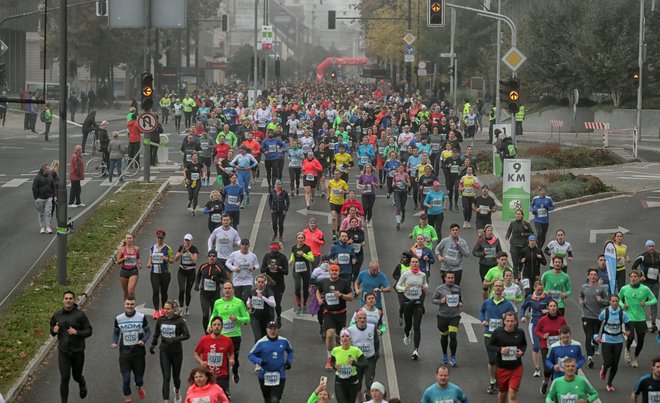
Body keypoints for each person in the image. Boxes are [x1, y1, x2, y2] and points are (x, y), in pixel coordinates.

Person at [50, 290, 92, 403]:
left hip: (78, 352)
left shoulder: (80, 315)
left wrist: (77, 332)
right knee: (65, 377)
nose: (68, 300)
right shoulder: (57, 315)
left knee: (76, 376)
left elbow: (89, 331)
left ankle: (82, 382)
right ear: (63, 300)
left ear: (74, 301)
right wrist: (54, 331)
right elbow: (52, 330)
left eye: (70, 298)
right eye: (66, 298)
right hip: (63, 352)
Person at [150, 300, 190, 403]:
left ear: (174, 309)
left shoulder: (179, 321)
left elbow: (186, 335)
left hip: (176, 351)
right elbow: (156, 334)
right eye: (164, 309)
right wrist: (153, 345)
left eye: (168, 309)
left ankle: (177, 391)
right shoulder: (161, 320)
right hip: (164, 351)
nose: (166, 311)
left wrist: (173, 339)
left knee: (176, 377)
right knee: (166, 377)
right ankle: (166, 400)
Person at [112, 296, 151, 402]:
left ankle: (139, 386)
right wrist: (115, 342)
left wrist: (144, 340)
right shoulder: (119, 318)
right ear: (124, 305)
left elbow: (148, 331)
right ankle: (128, 398)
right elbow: (116, 332)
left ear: (135, 305)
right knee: (126, 379)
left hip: (138, 352)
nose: (129, 306)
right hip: (124, 352)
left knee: (139, 379)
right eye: (127, 304)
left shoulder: (141, 317)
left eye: (132, 304)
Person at [209, 282, 250, 384]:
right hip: (221, 336)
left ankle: (235, 371)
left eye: (229, 288)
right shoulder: (218, 302)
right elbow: (214, 315)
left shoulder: (239, 302)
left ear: (233, 290)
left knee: (234, 359)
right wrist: (209, 325)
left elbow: (247, 319)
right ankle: (225, 386)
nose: (227, 290)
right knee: (224, 361)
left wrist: (237, 319)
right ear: (223, 290)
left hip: (235, 335)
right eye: (225, 288)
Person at [480, 280, 516, 394]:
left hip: (502, 335)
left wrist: (508, 322)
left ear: (503, 289)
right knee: (492, 360)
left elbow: (513, 318)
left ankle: (500, 380)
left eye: (500, 286)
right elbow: (481, 312)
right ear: (493, 289)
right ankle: (492, 381)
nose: (498, 288)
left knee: (501, 360)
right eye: (496, 286)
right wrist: (483, 320)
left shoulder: (508, 304)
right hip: (489, 334)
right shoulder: (487, 302)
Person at [248, 321, 295, 402]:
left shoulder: (284, 341)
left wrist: (288, 362)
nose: (272, 331)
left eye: (274, 329)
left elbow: (290, 351)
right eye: (270, 329)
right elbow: (250, 355)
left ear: (278, 330)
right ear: (266, 330)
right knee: (267, 399)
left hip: (280, 374)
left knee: (275, 400)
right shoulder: (261, 342)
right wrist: (260, 361)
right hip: (264, 375)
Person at [317, 264, 353, 369]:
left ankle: (339, 356)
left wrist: (341, 295)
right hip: (328, 313)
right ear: (329, 271)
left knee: (339, 337)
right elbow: (318, 291)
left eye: (336, 271)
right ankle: (329, 358)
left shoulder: (344, 283)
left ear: (339, 272)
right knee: (329, 334)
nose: (334, 273)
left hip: (341, 313)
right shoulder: (324, 282)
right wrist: (319, 300)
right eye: (332, 270)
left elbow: (350, 297)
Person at [620, 270, 657, 368]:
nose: (633, 278)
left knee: (641, 341)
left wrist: (646, 303)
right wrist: (623, 305)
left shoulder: (645, 289)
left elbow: (654, 299)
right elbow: (618, 298)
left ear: (639, 278)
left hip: (640, 319)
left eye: (635, 276)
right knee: (631, 337)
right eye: (631, 276)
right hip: (629, 317)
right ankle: (627, 349)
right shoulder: (624, 288)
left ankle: (635, 358)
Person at [488, 312, 527, 403]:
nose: (510, 323)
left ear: (515, 322)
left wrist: (522, 352)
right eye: (508, 321)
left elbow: (523, 345)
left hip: (516, 368)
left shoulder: (520, 332)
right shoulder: (498, 332)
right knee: (503, 393)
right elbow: (490, 346)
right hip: (502, 368)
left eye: (512, 321)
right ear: (504, 322)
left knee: (512, 393)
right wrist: (500, 350)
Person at [595, 294, 630, 391]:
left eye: (616, 301)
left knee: (615, 364)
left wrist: (628, 331)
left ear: (618, 302)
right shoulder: (605, 312)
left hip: (618, 341)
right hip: (606, 339)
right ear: (610, 302)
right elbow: (597, 324)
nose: (615, 303)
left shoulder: (622, 314)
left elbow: (629, 324)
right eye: (613, 301)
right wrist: (596, 335)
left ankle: (609, 383)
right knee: (608, 362)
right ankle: (604, 368)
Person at [396, 256, 428, 360]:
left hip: (418, 302)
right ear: (410, 264)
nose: (415, 264)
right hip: (407, 301)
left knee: (417, 326)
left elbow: (425, 284)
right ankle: (407, 334)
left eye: (416, 262)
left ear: (418, 263)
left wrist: (426, 287)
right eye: (413, 262)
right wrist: (404, 288)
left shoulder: (422, 274)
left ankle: (415, 350)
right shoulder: (406, 274)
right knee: (408, 325)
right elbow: (397, 286)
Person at [193, 317, 235, 398]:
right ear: (211, 327)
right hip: (207, 374)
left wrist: (231, 359)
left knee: (221, 397)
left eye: (219, 325)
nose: (216, 327)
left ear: (222, 327)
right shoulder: (204, 340)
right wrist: (201, 362)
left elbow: (231, 353)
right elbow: (196, 354)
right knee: (209, 397)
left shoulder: (227, 340)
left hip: (222, 373)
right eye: (214, 325)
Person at [520, 280, 552, 378]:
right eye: (538, 290)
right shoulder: (530, 298)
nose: (540, 292)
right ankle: (537, 369)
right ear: (534, 289)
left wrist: (548, 310)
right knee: (536, 347)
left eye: (541, 290)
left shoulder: (547, 297)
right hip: (534, 324)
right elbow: (523, 307)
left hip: (545, 324)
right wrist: (523, 316)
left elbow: (554, 307)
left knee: (547, 346)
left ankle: (549, 366)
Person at [535, 299, 568, 394]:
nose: (553, 308)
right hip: (546, 346)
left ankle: (553, 389)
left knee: (556, 368)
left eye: (554, 306)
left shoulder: (561, 319)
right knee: (547, 368)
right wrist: (542, 336)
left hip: (558, 347)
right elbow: (537, 331)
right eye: (551, 306)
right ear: (548, 308)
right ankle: (545, 381)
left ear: (557, 308)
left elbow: (567, 331)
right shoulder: (543, 320)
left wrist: (561, 334)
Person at [432, 271, 463, 367]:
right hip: (443, 316)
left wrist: (461, 303)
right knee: (444, 336)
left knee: (453, 336)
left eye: (452, 278)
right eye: (448, 278)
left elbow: (460, 299)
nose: (450, 280)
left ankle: (453, 357)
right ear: (445, 278)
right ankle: (445, 354)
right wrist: (440, 301)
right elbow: (433, 300)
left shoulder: (457, 288)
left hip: (454, 316)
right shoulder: (439, 289)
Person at [580, 268, 609, 368]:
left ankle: (595, 344)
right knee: (588, 336)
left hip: (597, 317)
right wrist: (581, 301)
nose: (593, 276)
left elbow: (608, 301)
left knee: (595, 336)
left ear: (597, 277)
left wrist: (601, 300)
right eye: (591, 274)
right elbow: (581, 296)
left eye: (594, 274)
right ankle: (589, 358)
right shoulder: (584, 287)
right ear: (588, 276)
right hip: (586, 316)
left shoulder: (601, 288)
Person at [195, 251, 230, 331]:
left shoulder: (219, 268)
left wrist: (217, 279)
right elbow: (198, 276)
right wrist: (196, 285)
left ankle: (215, 331)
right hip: (204, 295)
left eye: (214, 256)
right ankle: (207, 332)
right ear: (208, 258)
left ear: (216, 258)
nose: (212, 258)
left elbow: (226, 281)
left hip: (215, 295)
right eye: (210, 256)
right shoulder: (203, 266)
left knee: (215, 316)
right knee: (205, 315)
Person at [331, 328, 368, 403]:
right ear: (340, 339)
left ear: (350, 339)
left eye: (347, 336)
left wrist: (354, 363)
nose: (345, 338)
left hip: (352, 381)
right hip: (339, 381)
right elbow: (332, 362)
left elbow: (365, 364)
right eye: (343, 336)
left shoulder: (356, 350)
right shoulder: (335, 350)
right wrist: (334, 367)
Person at [348, 310, 379, 397]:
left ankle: (369, 398)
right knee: (357, 385)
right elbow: (347, 346)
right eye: (360, 318)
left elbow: (376, 341)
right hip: (357, 361)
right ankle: (361, 400)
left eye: (364, 318)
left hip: (370, 359)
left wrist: (376, 353)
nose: (362, 320)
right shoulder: (350, 330)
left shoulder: (372, 327)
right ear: (356, 319)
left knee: (369, 383)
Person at [632, 240, 660, 333]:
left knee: (654, 302)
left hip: (655, 283)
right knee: (641, 302)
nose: (651, 248)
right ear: (646, 247)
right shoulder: (642, 256)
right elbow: (634, 266)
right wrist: (640, 276)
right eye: (649, 246)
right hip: (645, 284)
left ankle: (653, 324)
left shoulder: (658, 256)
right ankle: (640, 322)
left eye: (652, 246)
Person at [260, 242, 289, 327]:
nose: (273, 251)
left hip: (279, 284)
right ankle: (271, 320)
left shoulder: (283, 257)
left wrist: (278, 268)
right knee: (269, 303)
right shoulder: (267, 256)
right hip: (269, 283)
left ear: (279, 249)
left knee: (277, 303)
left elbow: (286, 272)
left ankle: (279, 317)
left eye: (275, 249)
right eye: (272, 249)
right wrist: (268, 267)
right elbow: (262, 270)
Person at [149, 229, 175, 319]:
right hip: (154, 273)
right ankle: (156, 311)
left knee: (164, 292)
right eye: (158, 238)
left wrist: (165, 258)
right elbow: (150, 257)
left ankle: (163, 309)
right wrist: (149, 263)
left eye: (161, 238)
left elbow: (172, 261)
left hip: (165, 273)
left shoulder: (168, 248)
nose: (159, 239)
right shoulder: (152, 247)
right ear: (156, 238)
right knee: (155, 291)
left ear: (164, 238)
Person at [225, 238, 260, 303]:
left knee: (245, 298)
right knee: (238, 300)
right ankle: (242, 311)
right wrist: (234, 268)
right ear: (240, 245)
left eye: (246, 244)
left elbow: (257, 265)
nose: (244, 246)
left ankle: (245, 309)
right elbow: (227, 263)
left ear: (249, 245)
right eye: (243, 244)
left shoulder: (252, 256)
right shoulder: (234, 254)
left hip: (248, 280)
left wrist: (253, 268)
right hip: (237, 280)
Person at [473, 224, 503, 298]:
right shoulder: (481, 241)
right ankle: (485, 303)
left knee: (494, 286)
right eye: (488, 230)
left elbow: (500, 252)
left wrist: (497, 256)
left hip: (494, 266)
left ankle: (493, 302)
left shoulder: (496, 241)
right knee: (485, 287)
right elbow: (474, 252)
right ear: (485, 232)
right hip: (484, 266)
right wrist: (482, 254)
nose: (490, 232)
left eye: (491, 230)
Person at [505, 209, 534, 279]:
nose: (518, 215)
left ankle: (519, 272)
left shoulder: (526, 224)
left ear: (522, 215)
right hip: (514, 246)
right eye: (517, 214)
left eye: (519, 214)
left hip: (523, 246)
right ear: (515, 215)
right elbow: (509, 230)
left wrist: (524, 234)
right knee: (515, 263)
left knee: (521, 262)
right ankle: (516, 278)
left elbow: (531, 233)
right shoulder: (512, 223)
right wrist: (507, 236)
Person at [247, 274, 277, 341]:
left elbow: (273, 304)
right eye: (259, 282)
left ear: (265, 283)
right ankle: (257, 350)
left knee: (265, 338)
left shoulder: (268, 292)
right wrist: (248, 304)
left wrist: (263, 297)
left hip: (267, 318)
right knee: (257, 338)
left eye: (262, 282)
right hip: (255, 317)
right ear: (256, 283)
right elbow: (248, 300)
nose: (260, 284)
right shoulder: (252, 292)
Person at [175, 234, 199, 315]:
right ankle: (181, 307)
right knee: (182, 289)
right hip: (182, 270)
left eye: (188, 240)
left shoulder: (194, 249)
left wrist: (188, 252)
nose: (187, 242)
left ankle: (187, 307)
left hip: (191, 271)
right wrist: (182, 251)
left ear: (191, 241)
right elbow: (176, 259)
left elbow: (195, 260)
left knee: (188, 291)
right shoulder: (181, 247)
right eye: (185, 240)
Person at [115, 233, 142, 300]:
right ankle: (127, 307)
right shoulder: (121, 249)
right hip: (124, 271)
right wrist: (124, 259)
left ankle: (133, 306)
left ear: (132, 239)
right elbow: (117, 262)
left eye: (130, 238)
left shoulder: (136, 248)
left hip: (133, 271)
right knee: (125, 292)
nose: (129, 240)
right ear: (125, 240)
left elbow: (138, 257)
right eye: (127, 238)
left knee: (131, 291)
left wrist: (139, 263)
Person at [33, 164, 55, 234]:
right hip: (40, 198)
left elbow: (53, 186)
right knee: (41, 213)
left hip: (48, 198)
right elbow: (34, 188)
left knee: (48, 212)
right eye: (48, 169)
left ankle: (48, 227)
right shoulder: (37, 178)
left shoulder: (50, 177)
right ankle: (42, 227)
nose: (49, 170)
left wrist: (53, 195)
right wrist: (36, 197)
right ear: (44, 170)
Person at [327, 169, 349, 239]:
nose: (335, 176)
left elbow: (348, 191)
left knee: (339, 218)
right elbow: (329, 188)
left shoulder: (343, 182)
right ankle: (333, 233)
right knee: (333, 217)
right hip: (333, 201)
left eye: (337, 174)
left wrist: (343, 192)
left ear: (340, 175)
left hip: (340, 202)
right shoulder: (331, 182)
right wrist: (328, 195)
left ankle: (338, 230)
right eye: (335, 174)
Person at [392, 164, 411, 231]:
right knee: (398, 206)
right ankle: (398, 223)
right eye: (400, 168)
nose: (401, 169)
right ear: (398, 169)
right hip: (397, 191)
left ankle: (403, 215)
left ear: (404, 169)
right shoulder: (395, 175)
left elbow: (409, 184)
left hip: (404, 192)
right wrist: (393, 184)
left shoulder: (406, 175)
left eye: (402, 168)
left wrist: (404, 182)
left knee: (402, 207)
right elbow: (393, 183)